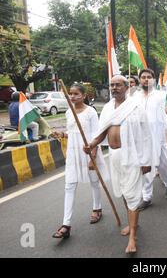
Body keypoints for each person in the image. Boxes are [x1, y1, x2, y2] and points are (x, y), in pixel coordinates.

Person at [85, 75, 153, 254]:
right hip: (114, 156)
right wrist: (92, 145)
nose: (114, 88)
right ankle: (133, 224)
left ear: (126, 87)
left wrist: (146, 161)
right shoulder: (107, 108)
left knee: (132, 195)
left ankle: (133, 236)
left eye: (118, 85)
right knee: (123, 192)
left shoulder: (136, 107)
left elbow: (146, 136)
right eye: (112, 85)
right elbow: (101, 132)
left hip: (133, 157)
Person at [52, 83, 109, 240]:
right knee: (69, 186)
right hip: (73, 154)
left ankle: (97, 209)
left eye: (76, 94)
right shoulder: (69, 112)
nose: (73, 96)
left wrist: (94, 157)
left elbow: (96, 135)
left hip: (88, 152)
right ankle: (66, 224)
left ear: (84, 96)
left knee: (94, 183)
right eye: (71, 93)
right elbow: (73, 132)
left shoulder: (90, 112)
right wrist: (62, 134)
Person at [134, 69, 167, 211]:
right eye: (143, 77)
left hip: (159, 138)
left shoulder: (162, 96)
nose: (146, 79)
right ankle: (147, 197)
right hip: (141, 140)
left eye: (149, 77)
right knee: (146, 167)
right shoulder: (135, 97)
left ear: (153, 80)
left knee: (163, 166)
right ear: (140, 80)